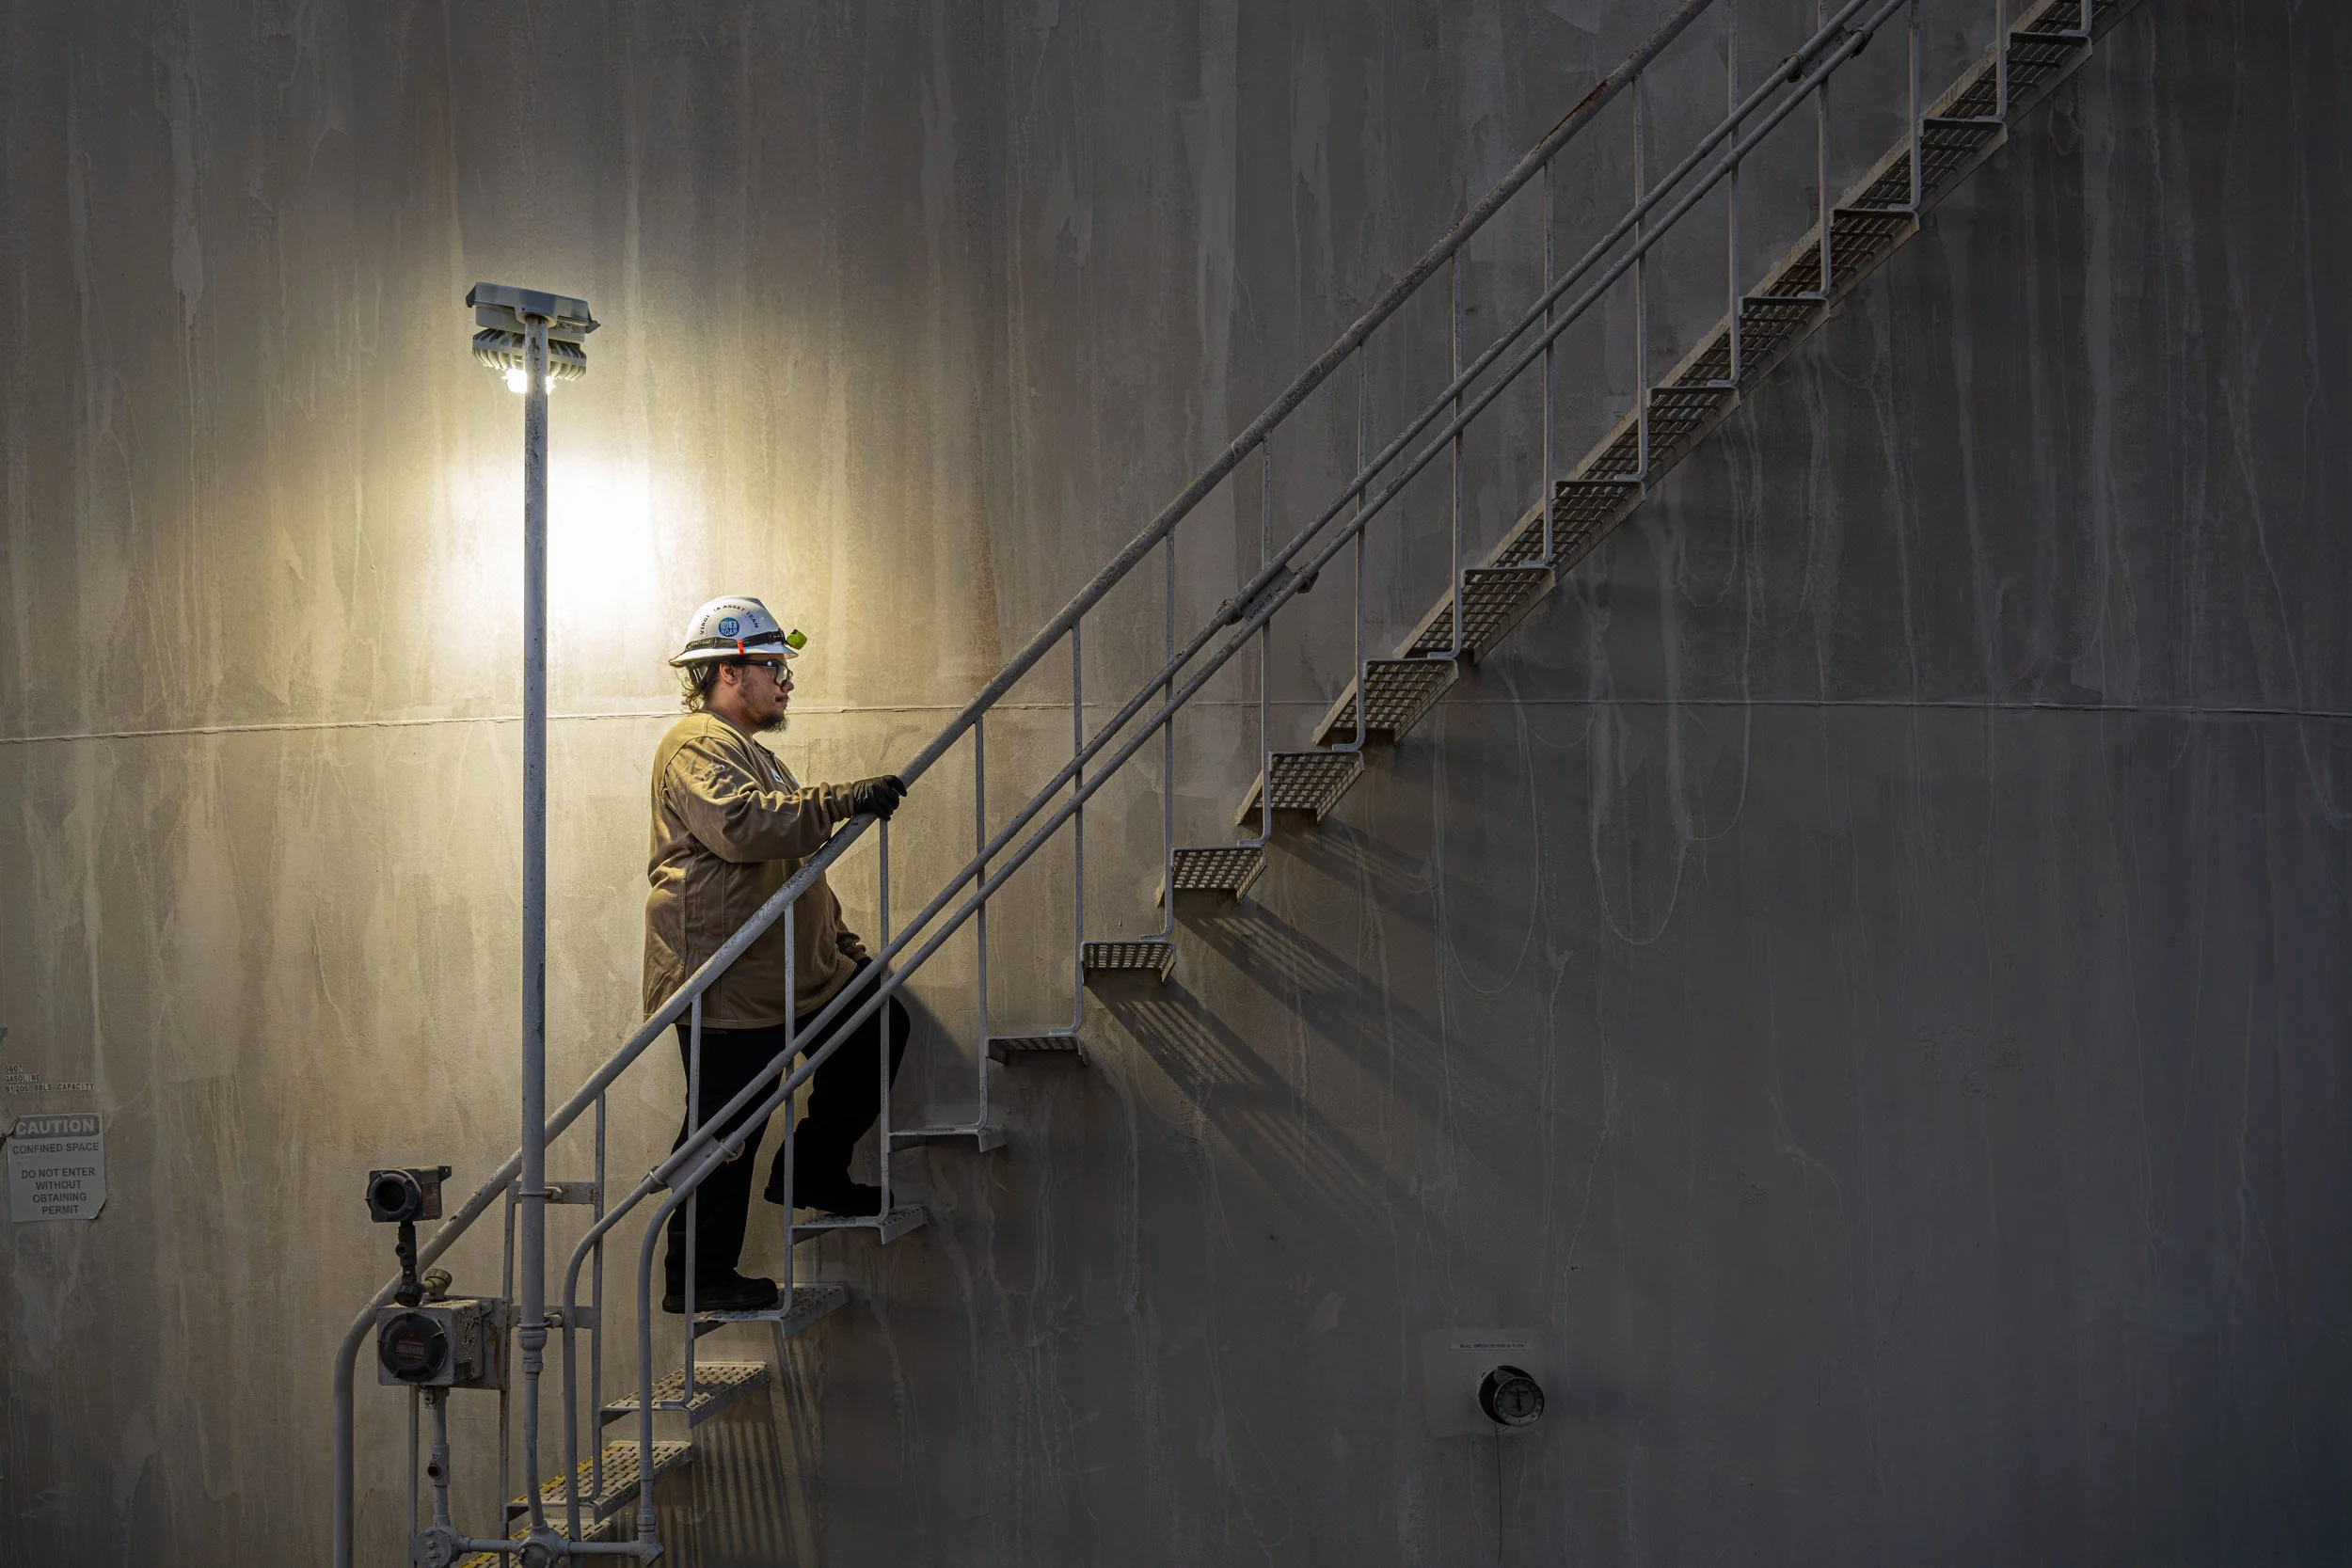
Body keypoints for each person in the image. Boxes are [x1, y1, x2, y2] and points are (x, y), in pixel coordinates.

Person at [643, 594, 911, 1314]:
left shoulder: (755, 754)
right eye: (773, 665)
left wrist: (845, 950)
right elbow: (741, 828)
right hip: (728, 986)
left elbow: (795, 873)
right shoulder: (696, 742)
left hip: (791, 976)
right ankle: (696, 1276)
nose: (786, 680)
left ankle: (813, 1171)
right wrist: (842, 798)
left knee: (879, 1018)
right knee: (728, 1131)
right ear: (730, 672)